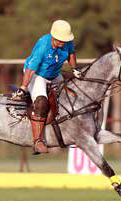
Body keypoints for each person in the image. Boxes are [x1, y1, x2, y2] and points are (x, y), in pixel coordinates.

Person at [12, 20, 82, 155]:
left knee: (69, 96)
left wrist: (75, 69)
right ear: (54, 37)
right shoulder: (43, 46)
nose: (63, 43)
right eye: (61, 41)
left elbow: (71, 53)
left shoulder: (67, 41)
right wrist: (23, 87)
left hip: (54, 74)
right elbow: (31, 69)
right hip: (37, 74)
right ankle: (37, 141)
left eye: (65, 41)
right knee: (41, 102)